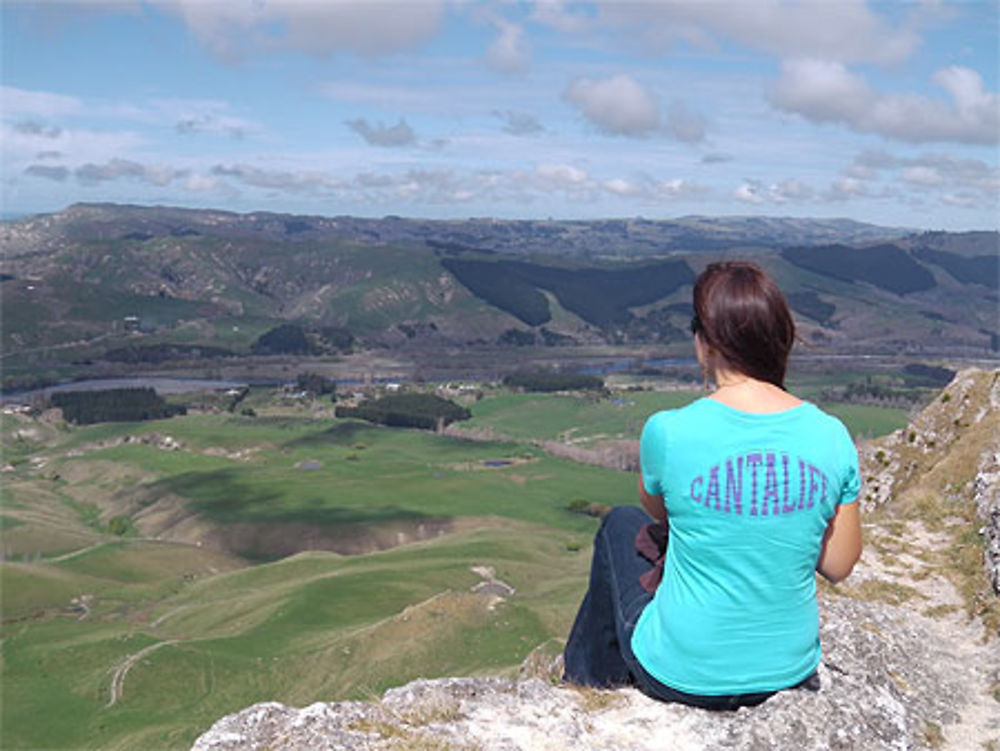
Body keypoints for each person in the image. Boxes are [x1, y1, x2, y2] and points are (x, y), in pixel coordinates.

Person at [562, 260, 862, 710]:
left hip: (680, 674)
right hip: (788, 672)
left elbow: (661, 514)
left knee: (621, 524)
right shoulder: (832, 435)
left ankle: (589, 684)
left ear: (707, 343)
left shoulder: (669, 430)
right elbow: (838, 565)